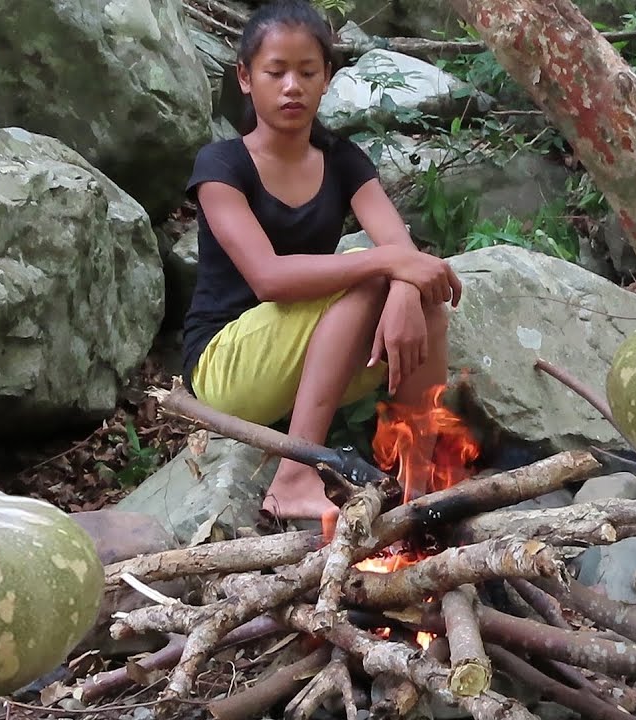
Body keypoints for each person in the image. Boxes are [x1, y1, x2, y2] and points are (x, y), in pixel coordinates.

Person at [181, 0, 463, 522]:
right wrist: (391, 267)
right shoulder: (221, 165)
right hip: (226, 368)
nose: (293, 86)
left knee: (424, 305)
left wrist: (403, 283)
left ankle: (420, 482)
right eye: (276, 72)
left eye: (308, 72)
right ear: (245, 78)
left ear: (327, 78)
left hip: (307, 359)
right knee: (368, 271)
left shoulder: (342, 160)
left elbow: (399, 253)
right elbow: (268, 279)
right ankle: (294, 474)